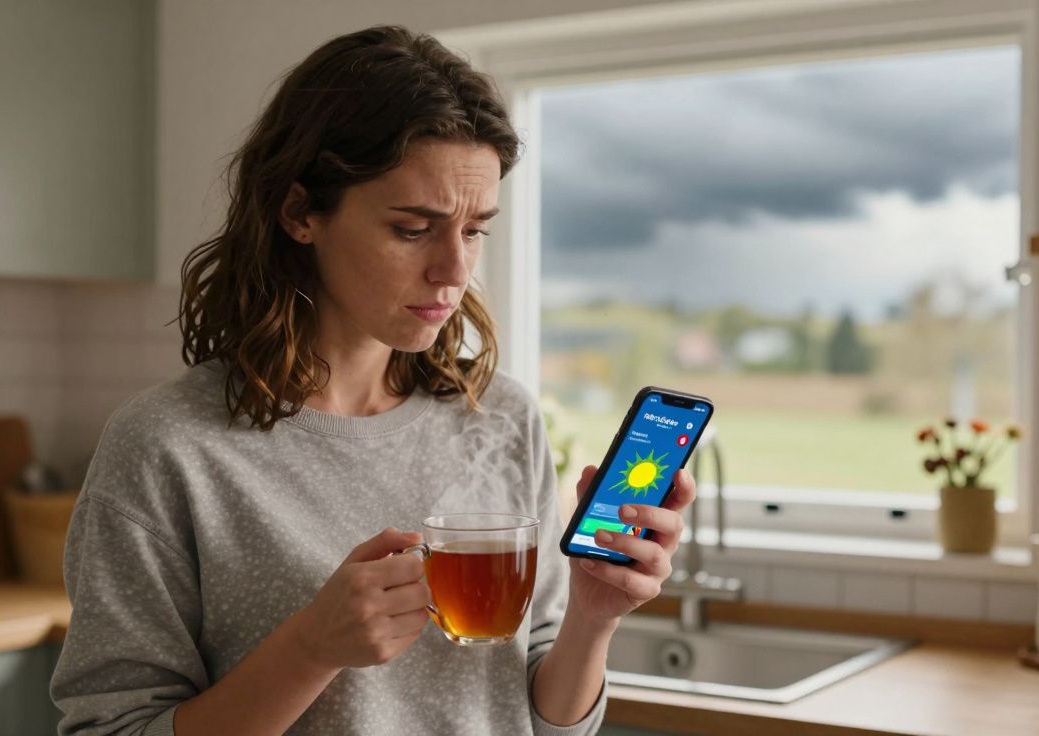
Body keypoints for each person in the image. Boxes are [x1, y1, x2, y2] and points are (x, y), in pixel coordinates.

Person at [49, 25, 696, 736]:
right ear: (300, 214)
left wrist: (592, 620)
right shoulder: (168, 447)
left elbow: (540, 719)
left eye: (475, 229)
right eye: (414, 228)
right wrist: (310, 648)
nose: (456, 270)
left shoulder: (502, 418)